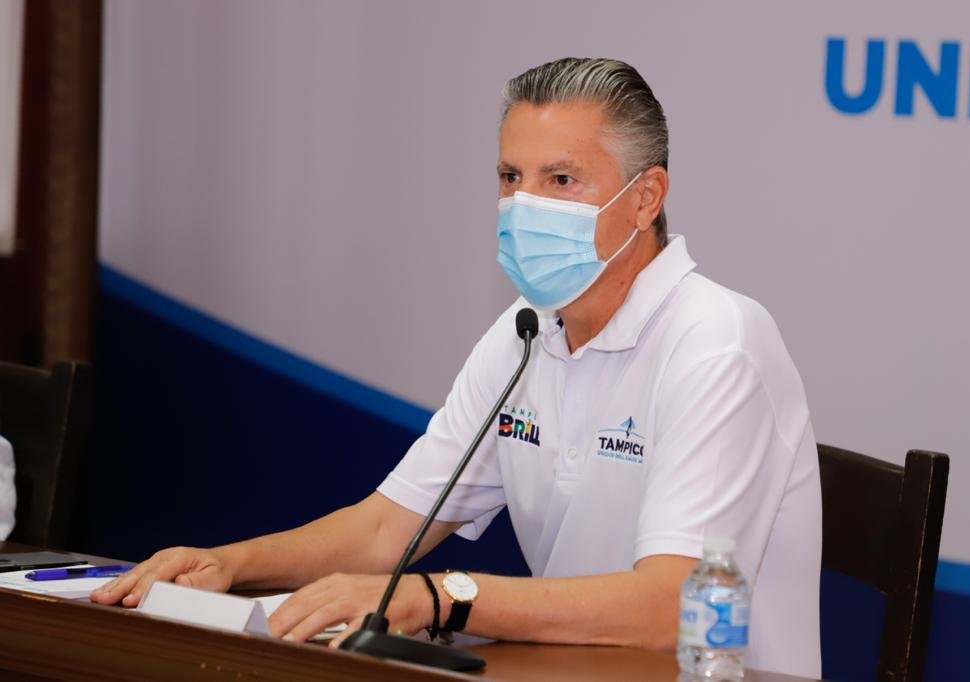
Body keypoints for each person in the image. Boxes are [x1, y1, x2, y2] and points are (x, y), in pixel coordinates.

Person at [91, 58, 821, 678]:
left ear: (646, 199)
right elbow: (387, 529)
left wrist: (441, 598)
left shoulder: (716, 342)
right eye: (510, 176)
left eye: (561, 179)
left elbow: (671, 608)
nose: (524, 205)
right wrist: (229, 563)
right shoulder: (525, 332)